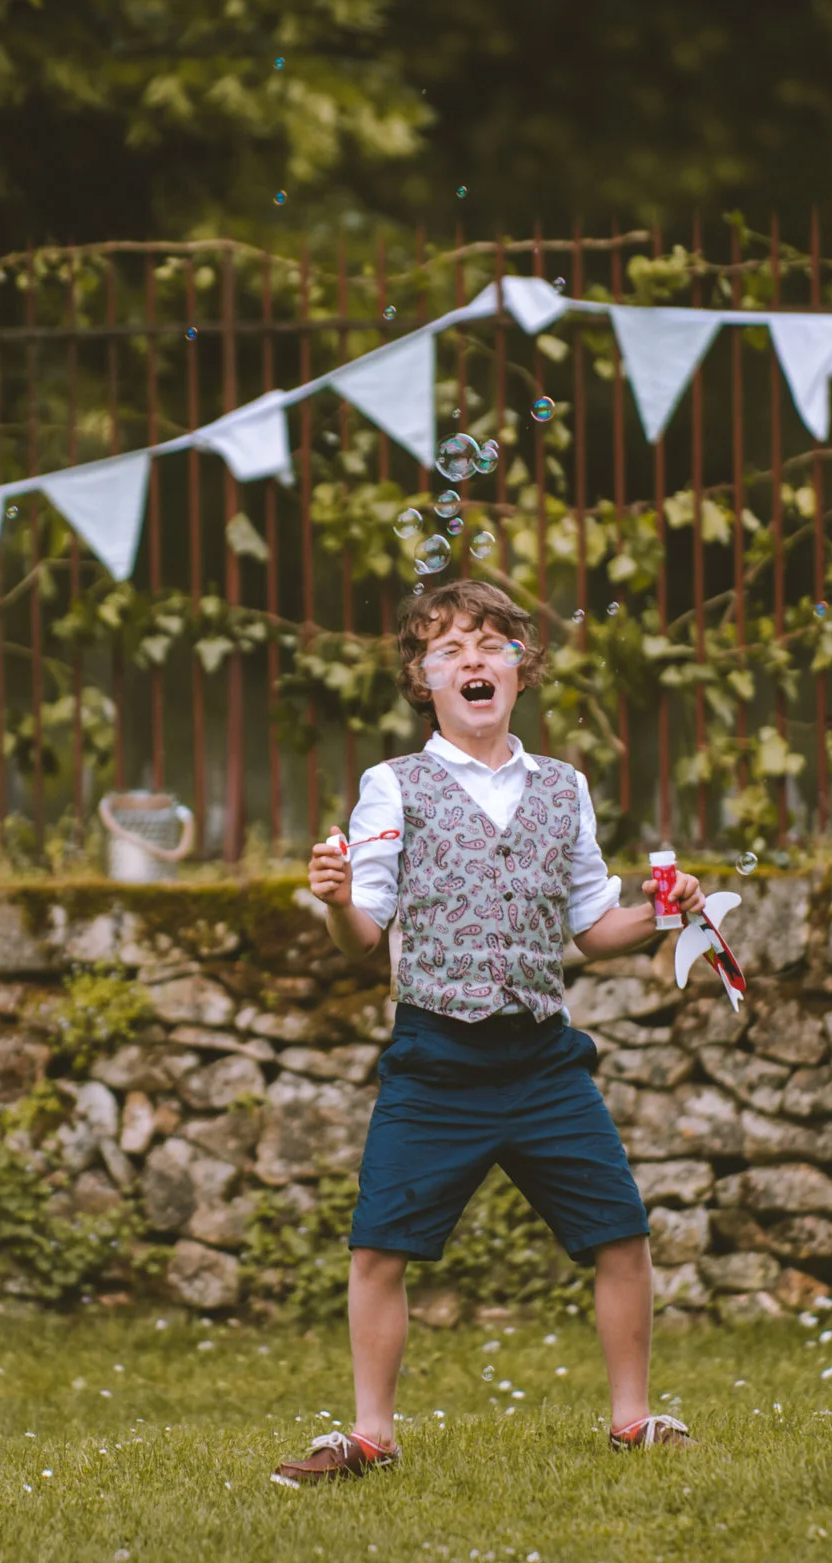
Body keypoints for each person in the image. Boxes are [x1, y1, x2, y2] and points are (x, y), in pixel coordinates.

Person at [272, 578, 704, 1486]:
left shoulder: (564, 788)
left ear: (521, 668)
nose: (473, 660)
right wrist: (338, 901)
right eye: (449, 650)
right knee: (379, 1246)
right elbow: (364, 937)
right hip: (435, 1058)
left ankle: (633, 1419)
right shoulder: (393, 785)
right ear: (421, 679)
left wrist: (663, 914)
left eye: (492, 645)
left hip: (544, 1060)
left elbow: (594, 928)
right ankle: (371, 1434)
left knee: (621, 1233)